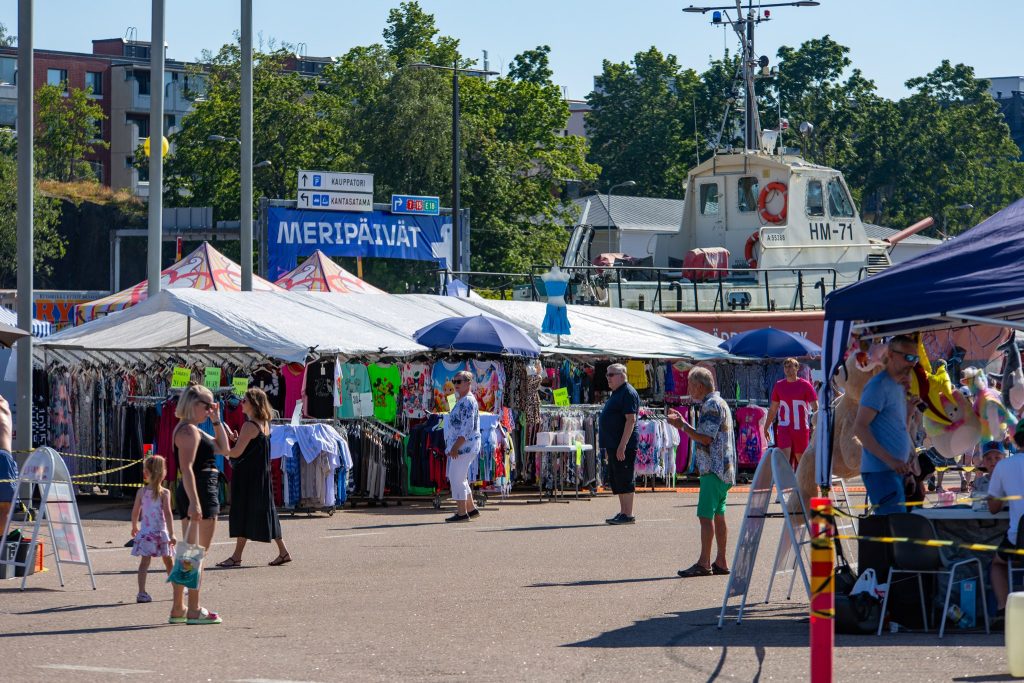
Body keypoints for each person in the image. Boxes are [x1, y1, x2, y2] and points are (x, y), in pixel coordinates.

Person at [169, 385, 230, 625]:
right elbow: (186, 469)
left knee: (190, 553)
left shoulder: (192, 429)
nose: (211, 409)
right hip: (200, 489)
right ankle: (193, 608)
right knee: (196, 554)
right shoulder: (188, 431)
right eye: (208, 405)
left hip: (199, 489)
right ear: (194, 404)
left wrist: (216, 419)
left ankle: (179, 607)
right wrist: (195, 503)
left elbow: (225, 449)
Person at [669, 367, 735, 577]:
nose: (689, 390)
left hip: (713, 469)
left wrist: (683, 426)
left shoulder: (711, 405)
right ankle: (721, 561)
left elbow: (706, 438)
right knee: (718, 515)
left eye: (690, 385)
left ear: (699, 386)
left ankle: (704, 562)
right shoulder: (720, 402)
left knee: (705, 517)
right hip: (724, 469)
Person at [216, 387, 290, 567]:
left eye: (245, 401)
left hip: (248, 477)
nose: (241, 403)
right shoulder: (264, 423)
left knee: (244, 512)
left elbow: (236, 453)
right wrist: (237, 439)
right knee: (267, 512)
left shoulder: (249, 426)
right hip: (260, 475)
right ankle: (282, 551)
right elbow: (252, 447)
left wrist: (220, 449)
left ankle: (236, 557)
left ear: (254, 404)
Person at [853, 335, 917, 515]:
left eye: (915, 358)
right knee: (894, 526)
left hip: (895, 471)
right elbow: (859, 427)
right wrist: (891, 461)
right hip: (881, 472)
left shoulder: (898, 386)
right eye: (908, 357)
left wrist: (909, 413)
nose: (912, 363)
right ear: (891, 355)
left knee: (898, 526)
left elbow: (897, 429)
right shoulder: (879, 386)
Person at [130, 455, 176, 603]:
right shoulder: (165, 493)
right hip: (161, 533)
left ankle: (141, 592)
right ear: (163, 473)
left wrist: (134, 526)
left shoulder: (141, 492)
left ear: (146, 473)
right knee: (169, 562)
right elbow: (168, 514)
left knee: (144, 563)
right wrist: (172, 533)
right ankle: (177, 590)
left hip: (146, 533)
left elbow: (135, 511)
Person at [988, 444, 1024, 627]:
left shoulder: (1004, 466)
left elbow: (993, 508)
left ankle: (1003, 610)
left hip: (1018, 538)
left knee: (997, 563)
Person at [600, 363, 640, 525]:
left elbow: (631, 420)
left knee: (625, 478)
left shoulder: (628, 392)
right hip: (615, 444)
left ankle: (628, 514)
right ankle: (623, 512)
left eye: (611, 375)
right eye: (607, 374)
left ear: (622, 376)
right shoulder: (617, 392)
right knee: (618, 479)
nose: (607, 378)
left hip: (624, 445)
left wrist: (622, 445)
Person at [765, 357, 818, 469]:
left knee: (802, 462)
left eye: (790, 366)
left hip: (801, 429)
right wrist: (766, 427)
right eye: (785, 367)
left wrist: (816, 425)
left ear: (797, 368)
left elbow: (816, 407)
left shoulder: (805, 385)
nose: (787, 369)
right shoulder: (779, 385)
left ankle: (805, 479)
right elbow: (773, 409)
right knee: (784, 459)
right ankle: (786, 480)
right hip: (784, 428)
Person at [444, 370, 481, 523]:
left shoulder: (467, 402)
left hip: (463, 447)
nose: (456, 384)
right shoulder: (462, 400)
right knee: (461, 477)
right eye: (454, 381)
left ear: (468, 383)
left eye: (459, 381)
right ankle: (471, 509)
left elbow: (467, 428)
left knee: (456, 478)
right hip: (463, 446)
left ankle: (461, 513)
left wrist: (455, 447)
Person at [0, 395, 16, 528]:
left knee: (5, 506)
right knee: (5, 506)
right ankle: (2, 537)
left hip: (3, 457)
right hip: (5, 456)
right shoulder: (4, 403)